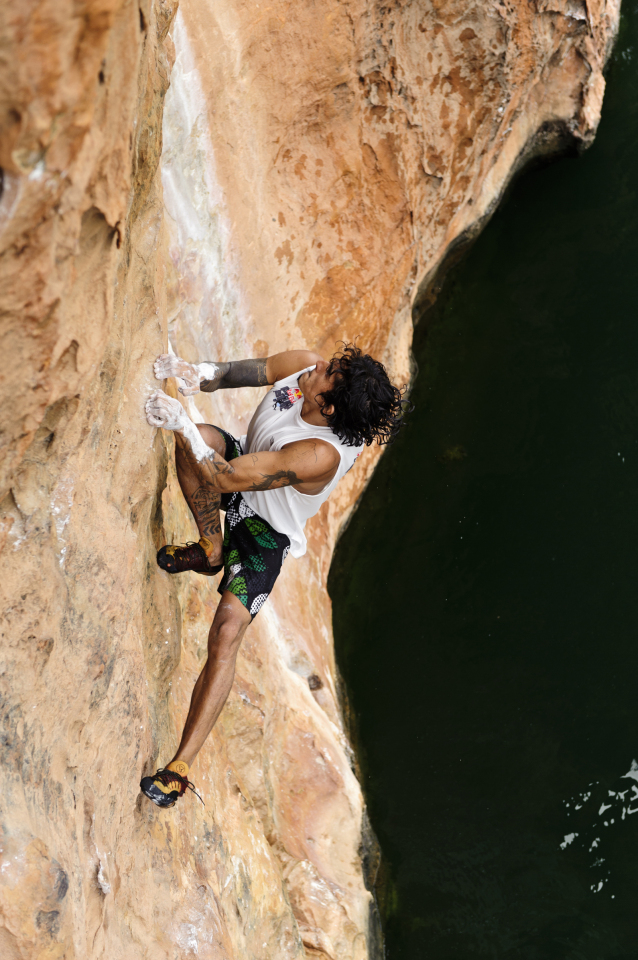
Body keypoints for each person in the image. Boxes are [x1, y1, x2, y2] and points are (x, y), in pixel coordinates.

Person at [141, 344, 408, 807]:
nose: (319, 365)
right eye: (331, 364)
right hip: (249, 467)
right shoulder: (306, 365)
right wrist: (194, 373)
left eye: (329, 374)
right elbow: (238, 372)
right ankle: (210, 548)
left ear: (327, 407)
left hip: (267, 530)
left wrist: (181, 422)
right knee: (198, 438)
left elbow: (224, 478)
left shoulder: (317, 455)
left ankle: (178, 769)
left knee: (226, 633)